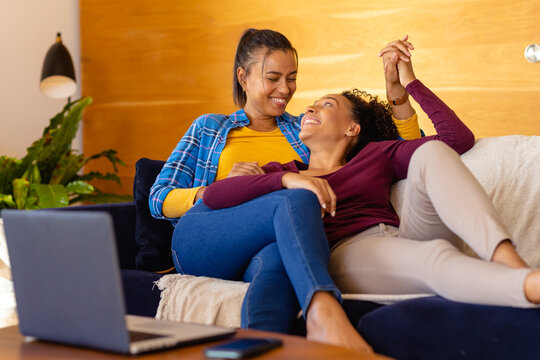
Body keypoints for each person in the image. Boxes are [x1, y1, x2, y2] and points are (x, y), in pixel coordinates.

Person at [175, 42, 540, 353]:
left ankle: (509, 260)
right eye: (311, 104)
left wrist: (408, 82)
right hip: (349, 251)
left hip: (402, 234)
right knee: (435, 258)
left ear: (352, 128)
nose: (310, 108)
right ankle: (528, 285)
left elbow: (455, 140)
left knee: (430, 154)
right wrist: (285, 179)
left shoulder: (375, 155)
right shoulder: (282, 170)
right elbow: (219, 195)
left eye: (326, 104)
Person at [150, 29, 419, 332]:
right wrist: (219, 188)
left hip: (277, 241)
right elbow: (159, 198)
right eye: (273, 77)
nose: (285, 88)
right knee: (295, 198)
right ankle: (326, 315)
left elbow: (403, 147)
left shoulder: (306, 129)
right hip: (218, 234)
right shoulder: (211, 128)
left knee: (279, 257)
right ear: (243, 77)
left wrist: (396, 89)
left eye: (291, 77)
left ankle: (261, 345)